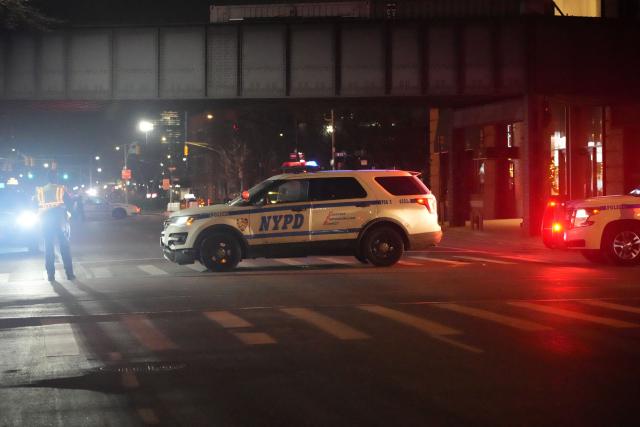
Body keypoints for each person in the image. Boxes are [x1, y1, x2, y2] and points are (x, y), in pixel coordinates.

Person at [35, 172, 75, 282]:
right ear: (56, 179)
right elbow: (70, 203)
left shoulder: (41, 190)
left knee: (48, 248)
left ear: (46, 179)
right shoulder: (61, 189)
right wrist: (68, 215)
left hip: (45, 221)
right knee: (64, 247)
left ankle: (50, 275)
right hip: (60, 220)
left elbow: (35, 206)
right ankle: (69, 274)